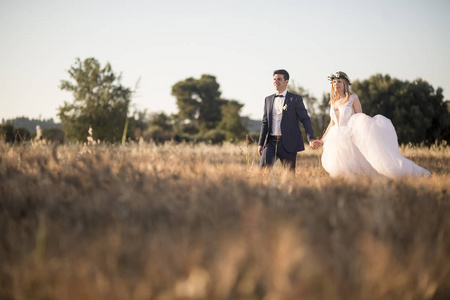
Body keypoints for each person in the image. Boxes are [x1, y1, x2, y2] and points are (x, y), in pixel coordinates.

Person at [312, 71, 431, 178]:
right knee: (339, 169)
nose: (336, 84)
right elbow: (332, 123)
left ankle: (409, 172)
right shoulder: (333, 102)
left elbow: (359, 117)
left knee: (361, 166)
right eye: (334, 82)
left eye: (339, 82)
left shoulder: (352, 98)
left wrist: (368, 124)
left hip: (349, 136)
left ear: (345, 84)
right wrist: (322, 140)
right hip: (335, 138)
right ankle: (345, 187)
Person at [258, 69, 317, 171]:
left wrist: (311, 138)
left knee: (289, 175)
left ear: (286, 82)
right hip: (270, 143)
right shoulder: (268, 99)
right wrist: (260, 143)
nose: (276, 81)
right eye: (274, 79)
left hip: (288, 144)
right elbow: (265, 123)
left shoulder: (295, 99)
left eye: (279, 79)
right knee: (263, 171)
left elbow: (305, 119)